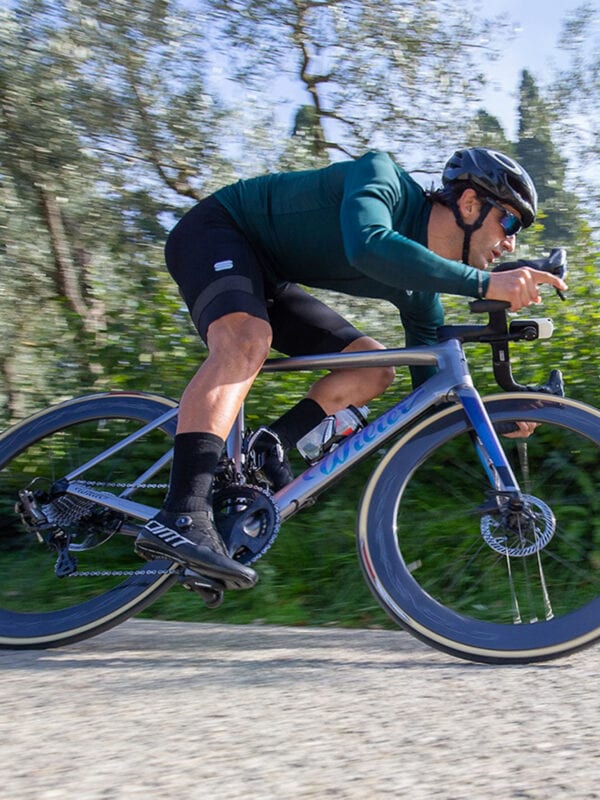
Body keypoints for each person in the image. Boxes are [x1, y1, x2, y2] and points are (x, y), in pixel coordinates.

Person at [135, 147, 567, 590]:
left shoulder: (420, 296)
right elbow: (368, 244)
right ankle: (182, 513)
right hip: (218, 230)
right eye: (509, 221)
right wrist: (484, 284)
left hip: (269, 276)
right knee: (247, 340)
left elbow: (435, 398)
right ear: (470, 203)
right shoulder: (382, 177)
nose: (511, 244)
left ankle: (270, 446)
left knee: (375, 368)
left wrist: (494, 421)